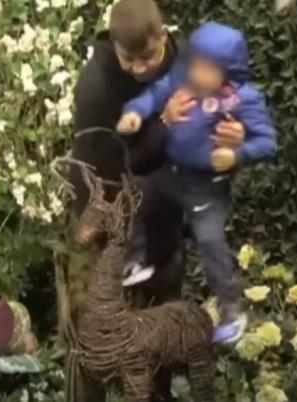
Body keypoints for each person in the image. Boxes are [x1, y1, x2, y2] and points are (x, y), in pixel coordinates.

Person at [70, 0, 247, 303]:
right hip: (118, 208)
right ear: (114, 45)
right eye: (129, 59)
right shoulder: (96, 90)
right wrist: (165, 122)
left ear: (163, 36)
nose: (140, 68)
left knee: (168, 297)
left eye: (148, 56)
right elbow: (106, 170)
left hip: (170, 209)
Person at [116, 21, 277, 344]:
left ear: (227, 70)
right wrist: (134, 112)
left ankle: (231, 310)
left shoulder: (242, 100)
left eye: (207, 68)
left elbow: (267, 143)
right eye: (196, 64)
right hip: (172, 174)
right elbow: (156, 93)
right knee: (138, 192)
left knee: (210, 241)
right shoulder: (183, 80)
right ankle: (135, 258)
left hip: (206, 186)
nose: (198, 74)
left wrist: (237, 154)